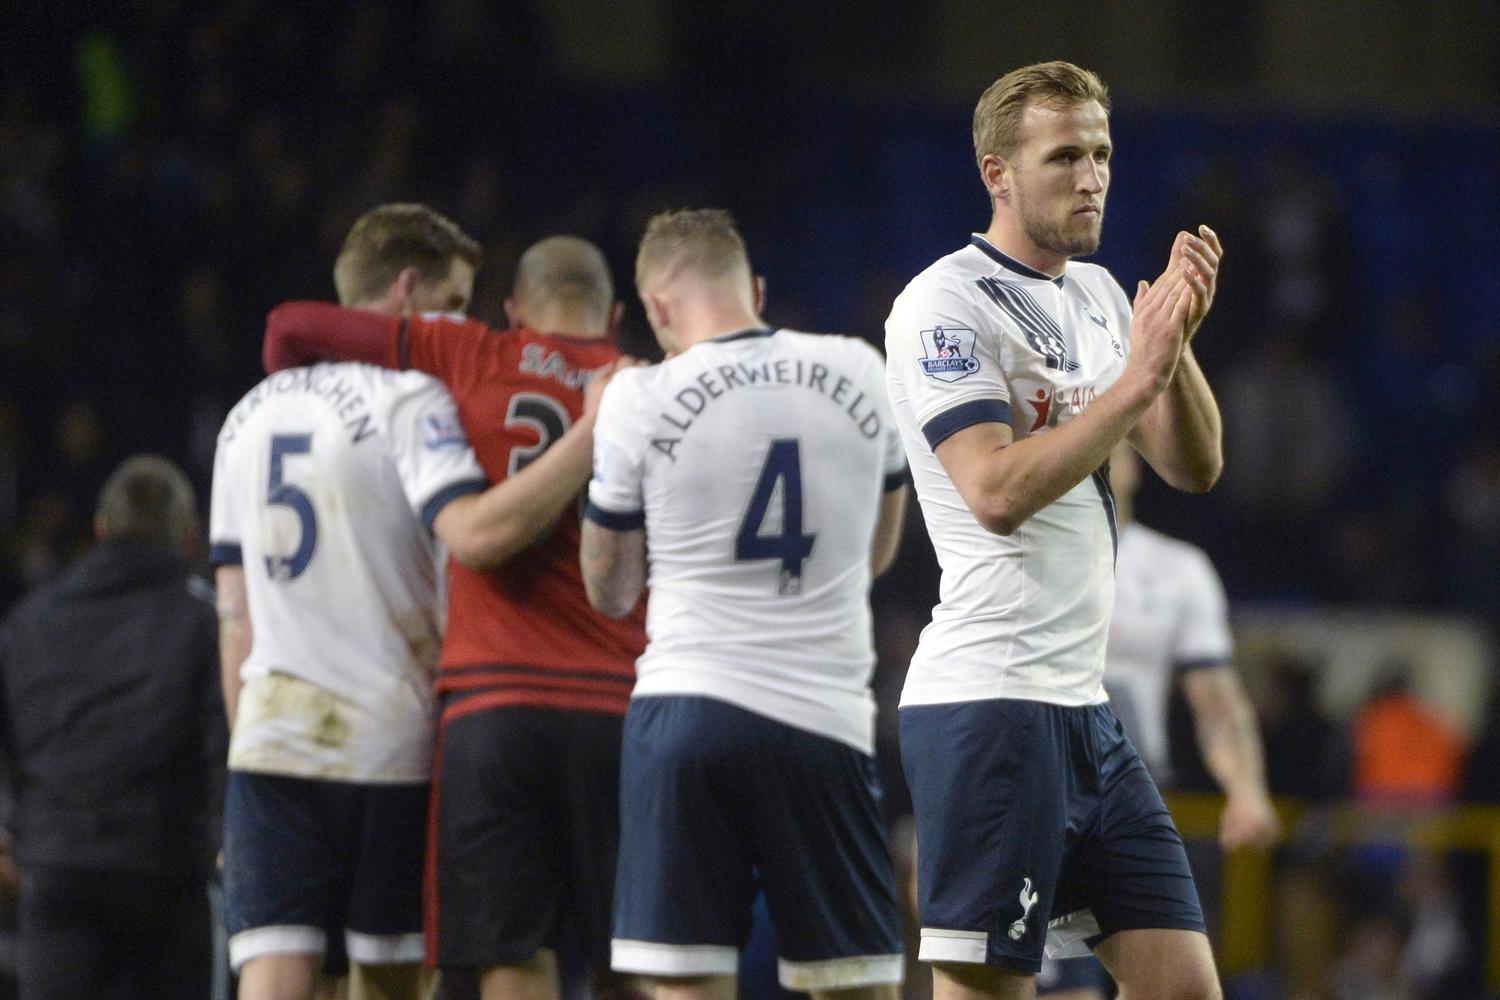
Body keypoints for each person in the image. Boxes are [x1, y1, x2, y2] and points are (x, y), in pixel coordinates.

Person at [885, 61, 1226, 1000]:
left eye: (1103, 154)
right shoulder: (943, 304)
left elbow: (1194, 469)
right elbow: (992, 492)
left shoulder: (1104, 296)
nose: (1093, 177)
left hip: (1086, 715)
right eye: (1065, 155)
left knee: (1186, 988)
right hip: (989, 703)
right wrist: (1129, 383)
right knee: (992, 990)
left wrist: (1175, 347)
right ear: (998, 173)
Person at [215, 204, 614, 1000]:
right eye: (457, 301)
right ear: (407, 291)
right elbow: (470, 533)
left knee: (276, 977)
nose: (462, 324)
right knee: (390, 978)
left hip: (268, 738)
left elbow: (234, 613)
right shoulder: (414, 403)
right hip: (390, 738)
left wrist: (241, 744)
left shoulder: (246, 416)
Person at [579, 208, 909, 1000]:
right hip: (823, 716)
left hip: (687, 711)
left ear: (657, 308)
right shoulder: (861, 368)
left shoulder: (639, 398)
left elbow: (611, 589)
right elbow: (880, 545)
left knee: (687, 986)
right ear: (753, 289)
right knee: (854, 985)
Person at [1035, 444, 1280, 1000]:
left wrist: (1245, 787)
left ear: (1135, 464)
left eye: (1111, 448)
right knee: (1068, 993)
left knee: (1175, 987)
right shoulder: (1025, 552)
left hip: (1137, 801)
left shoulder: (1177, 570)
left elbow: (1217, 701)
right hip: (1048, 797)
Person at [0, 455, 226, 999]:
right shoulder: (206, 621)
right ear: (189, 536)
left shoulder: (29, 618)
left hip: (57, 867)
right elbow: (221, 741)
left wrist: (9, 829)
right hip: (165, 873)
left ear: (101, 530)